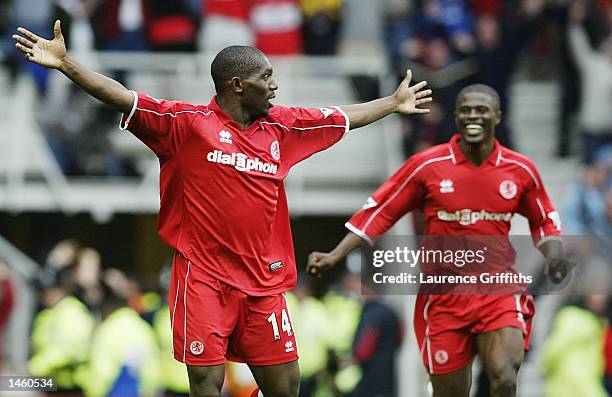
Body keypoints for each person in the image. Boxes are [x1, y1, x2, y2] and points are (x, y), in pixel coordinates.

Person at [12, 20, 432, 397]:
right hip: (203, 278)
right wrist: (67, 66)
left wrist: (392, 103)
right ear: (236, 85)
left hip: (263, 284)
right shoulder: (186, 124)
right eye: (265, 77)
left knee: (286, 385)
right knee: (207, 383)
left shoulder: (283, 127)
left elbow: (341, 116)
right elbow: (123, 97)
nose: (274, 85)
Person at [307, 84, 571, 397]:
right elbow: (380, 211)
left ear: (497, 117)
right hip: (444, 297)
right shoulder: (427, 166)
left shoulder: (520, 170)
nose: (473, 116)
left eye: (481, 110)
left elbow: (544, 220)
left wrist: (554, 255)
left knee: (504, 376)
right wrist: (337, 253)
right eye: (466, 110)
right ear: (456, 116)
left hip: (497, 289)